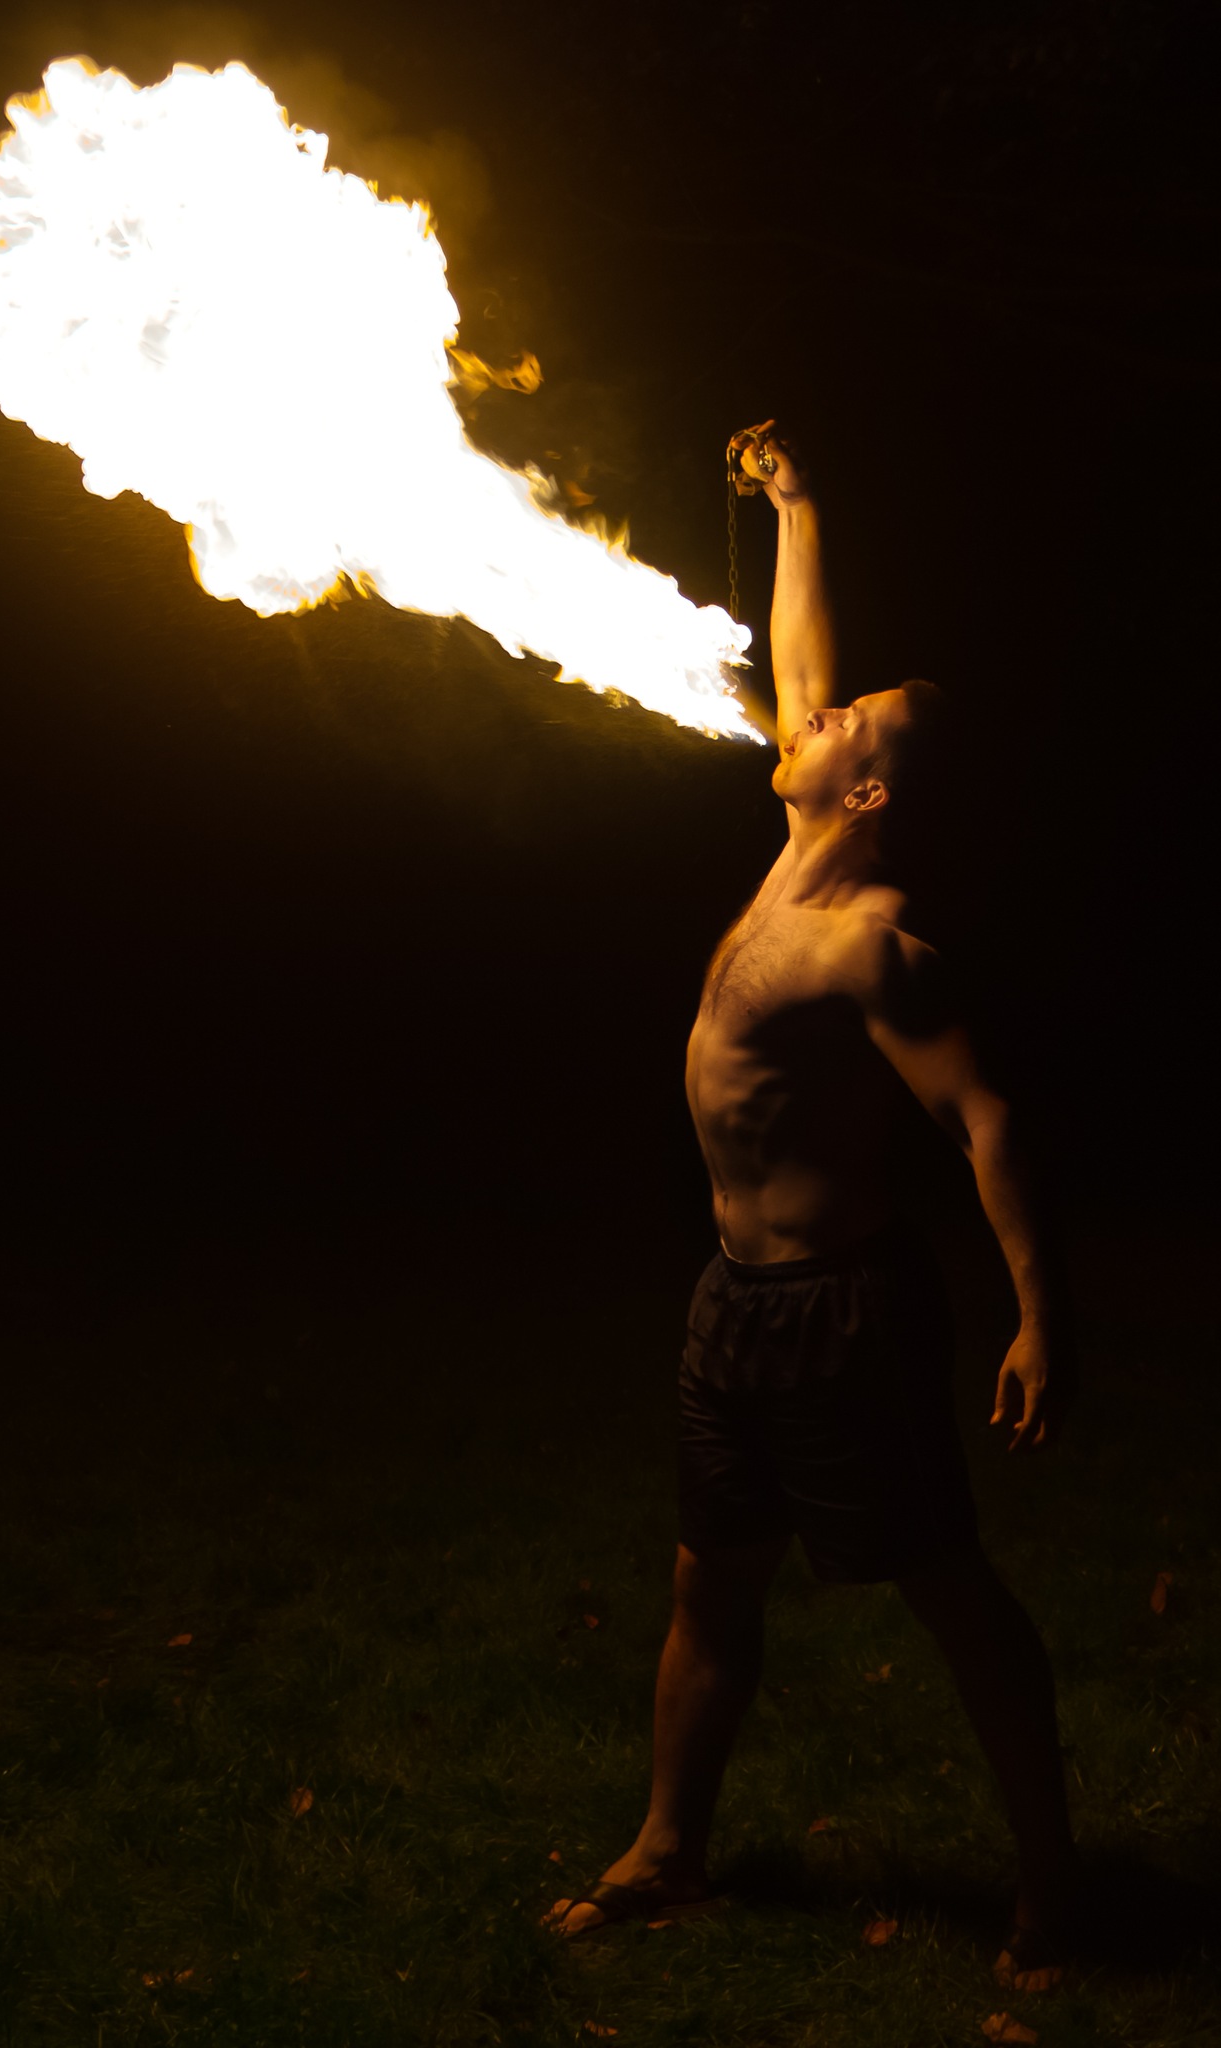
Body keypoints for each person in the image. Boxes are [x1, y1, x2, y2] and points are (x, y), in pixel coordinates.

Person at [543, 422, 1083, 1993]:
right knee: (708, 1580)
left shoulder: (870, 944)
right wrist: (795, 503)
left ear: (868, 787)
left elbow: (982, 1119)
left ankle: (1052, 1887)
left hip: (844, 1316)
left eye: (847, 721)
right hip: (731, 1305)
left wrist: (1038, 1317)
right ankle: (669, 1849)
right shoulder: (798, 838)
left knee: (948, 1594)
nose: (816, 709)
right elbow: (800, 653)